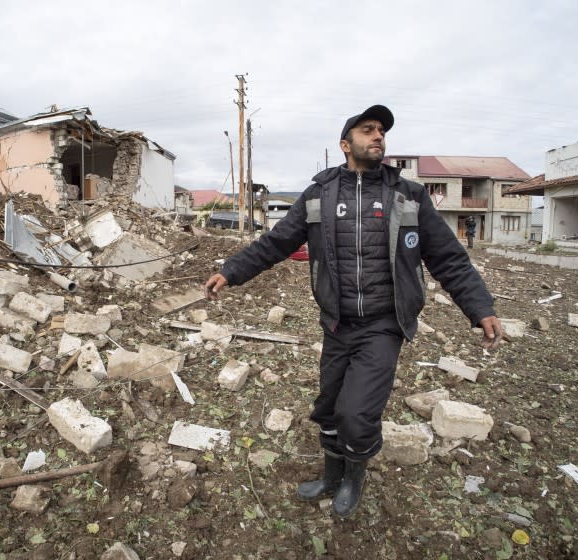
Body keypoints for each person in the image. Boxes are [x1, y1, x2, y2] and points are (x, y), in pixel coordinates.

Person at [204, 105, 502, 518]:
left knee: (356, 413)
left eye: (381, 131)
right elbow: (275, 244)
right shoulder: (319, 196)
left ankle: (353, 479)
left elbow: (448, 258)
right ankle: (331, 475)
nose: (378, 136)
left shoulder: (408, 196)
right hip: (337, 323)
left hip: (383, 324)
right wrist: (231, 271)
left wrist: (480, 307)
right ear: (346, 145)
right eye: (368, 130)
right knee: (328, 408)